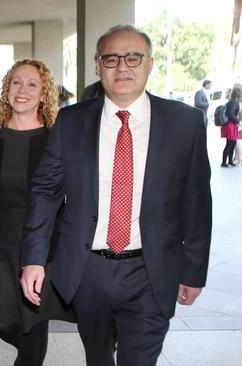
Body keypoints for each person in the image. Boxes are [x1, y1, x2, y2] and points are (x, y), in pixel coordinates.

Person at [20, 24, 212, 366]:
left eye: (133, 57)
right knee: (98, 357)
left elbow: (197, 202)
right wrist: (33, 258)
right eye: (111, 58)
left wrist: (194, 271)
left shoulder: (185, 123)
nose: (122, 66)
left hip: (152, 271)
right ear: (97, 65)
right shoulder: (70, 121)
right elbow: (45, 192)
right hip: (87, 271)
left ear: (150, 63)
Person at [0, 59, 74, 366]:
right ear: (6, 89)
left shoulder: (56, 136)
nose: (23, 90)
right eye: (16, 82)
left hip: (43, 242)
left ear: (44, 93)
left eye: (32, 84)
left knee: (33, 324)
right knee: (2, 322)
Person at [220, 87, 240, 167]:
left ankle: (230, 161)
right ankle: (224, 162)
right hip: (230, 125)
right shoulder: (233, 102)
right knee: (230, 143)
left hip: (232, 124)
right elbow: (231, 114)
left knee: (233, 143)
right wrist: (238, 121)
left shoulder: (232, 101)